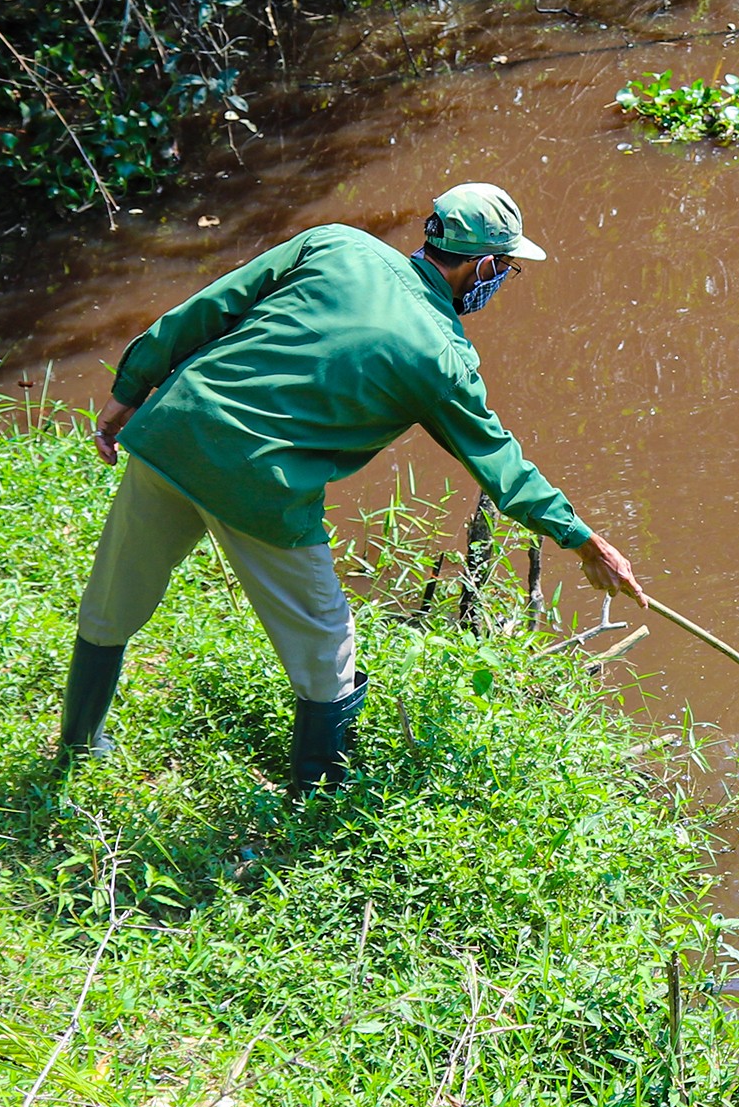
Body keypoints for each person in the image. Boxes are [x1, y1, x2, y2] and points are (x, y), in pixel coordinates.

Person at [61, 183, 641, 794]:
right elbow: (502, 467)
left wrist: (130, 389)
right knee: (327, 649)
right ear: (486, 265)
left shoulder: (336, 243)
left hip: (174, 429)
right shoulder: (442, 357)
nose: (503, 281)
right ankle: (316, 799)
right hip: (261, 484)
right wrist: (581, 539)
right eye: (508, 269)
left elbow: (211, 306)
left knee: (114, 596)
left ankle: (77, 746)